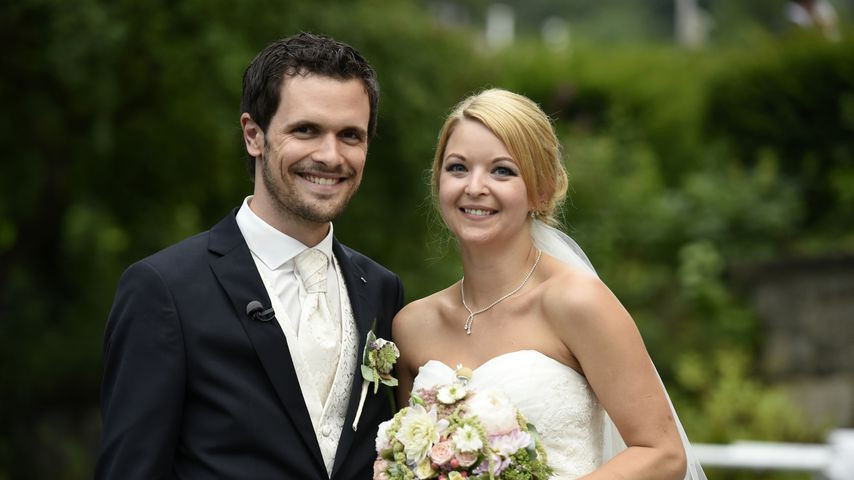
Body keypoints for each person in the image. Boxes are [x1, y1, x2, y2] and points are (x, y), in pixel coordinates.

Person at [95, 32, 404, 480]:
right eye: (306, 130)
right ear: (254, 135)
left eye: (350, 135)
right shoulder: (164, 290)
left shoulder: (382, 289)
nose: (330, 155)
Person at [392, 89, 706, 479]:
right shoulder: (412, 326)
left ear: (540, 191)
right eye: (457, 167)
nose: (474, 186)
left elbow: (662, 453)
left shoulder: (577, 301)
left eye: (502, 170)